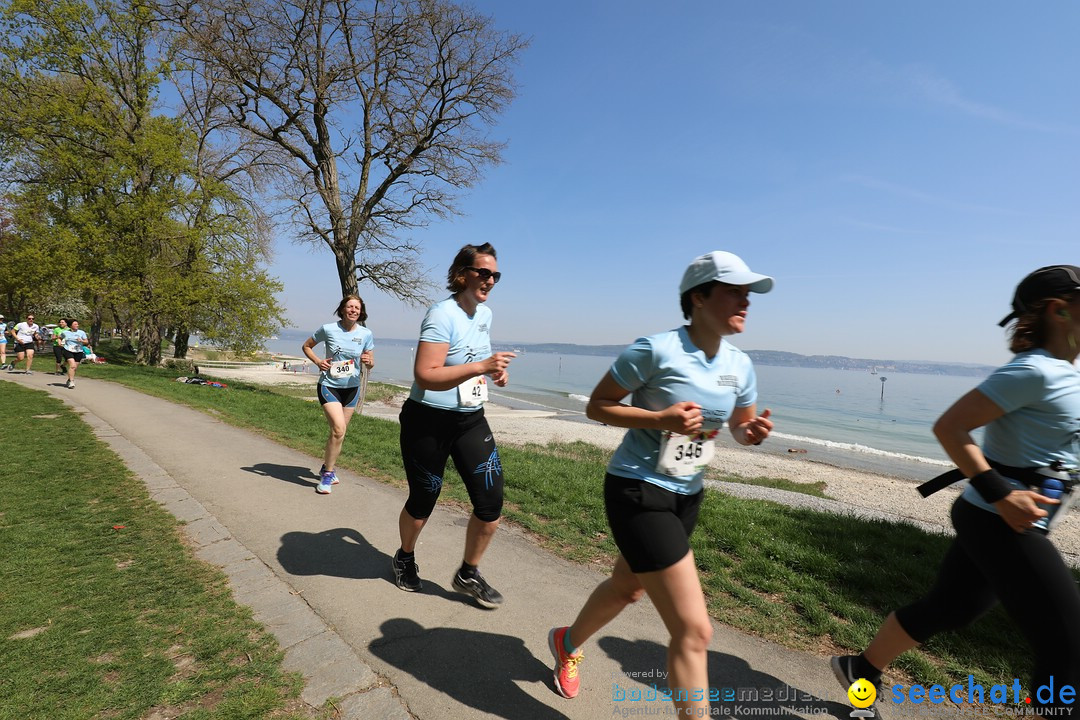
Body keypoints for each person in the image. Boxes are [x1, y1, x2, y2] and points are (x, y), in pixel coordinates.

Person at [831, 265, 1080, 719]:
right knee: (1069, 642)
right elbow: (950, 426)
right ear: (1059, 310)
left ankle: (859, 667)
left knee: (950, 608)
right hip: (1000, 520)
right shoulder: (1035, 372)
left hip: (997, 517)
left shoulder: (1065, 374)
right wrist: (1003, 495)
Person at [546, 251, 775, 714]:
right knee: (694, 632)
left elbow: (738, 425)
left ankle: (566, 642)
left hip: (688, 494)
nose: (746, 301)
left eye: (749, 293)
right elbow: (597, 406)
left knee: (627, 587)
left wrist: (749, 434)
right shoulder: (654, 349)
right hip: (637, 488)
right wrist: (658, 417)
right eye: (735, 291)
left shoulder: (740, 364)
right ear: (699, 297)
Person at [392, 242, 516, 608]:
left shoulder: (485, 315)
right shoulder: (440, 314)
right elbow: (426, 375)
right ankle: (404, 556)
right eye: (483, 272)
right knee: (424, 498)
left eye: (495, 275)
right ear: (462, 274)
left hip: (470, 420)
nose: (490, 280)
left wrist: (494, 371)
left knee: (490, 504)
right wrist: (481, 367)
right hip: (427, 421)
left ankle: (468, 572)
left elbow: (475, 359)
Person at [301, 295, 375, 495]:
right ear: (342, 309)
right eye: (350, 307)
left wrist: (368, 361)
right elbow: (306, 346)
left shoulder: (366, 334)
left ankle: (327, 467)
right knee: (338, 429)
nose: (353, 310)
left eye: (357, 308)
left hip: (352, 389)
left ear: (361, 312)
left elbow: (370, 362)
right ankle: (327, 475)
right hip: (329, 386)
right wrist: (318, 362)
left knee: (339, 433)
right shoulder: (328, 329)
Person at [59, 320, 89, 389]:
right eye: (75, 324)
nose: (77, 325)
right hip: (68, 350)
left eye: (77, 324)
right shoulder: (65, 332)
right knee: (72, 366)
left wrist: (81, 341)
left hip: (78, 351)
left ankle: (69, 379)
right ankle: (72, 382)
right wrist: (60, 343)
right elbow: (60, 337)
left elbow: (86, 342)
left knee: (75, 367)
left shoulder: (81, 332)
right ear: (71, 326)